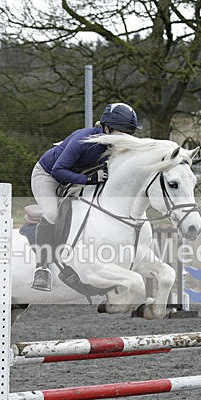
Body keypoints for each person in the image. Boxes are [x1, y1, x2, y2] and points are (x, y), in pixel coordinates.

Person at [30, 102, 142, 291]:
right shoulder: (83, 139)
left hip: (76, 178)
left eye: (128, 134)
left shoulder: (115, 145)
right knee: (51, 213)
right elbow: (58, 170)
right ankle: (41, 268)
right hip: (48, 176)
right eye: (121, 133)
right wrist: (89, 179)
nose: (125, 138)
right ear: (106, 127)